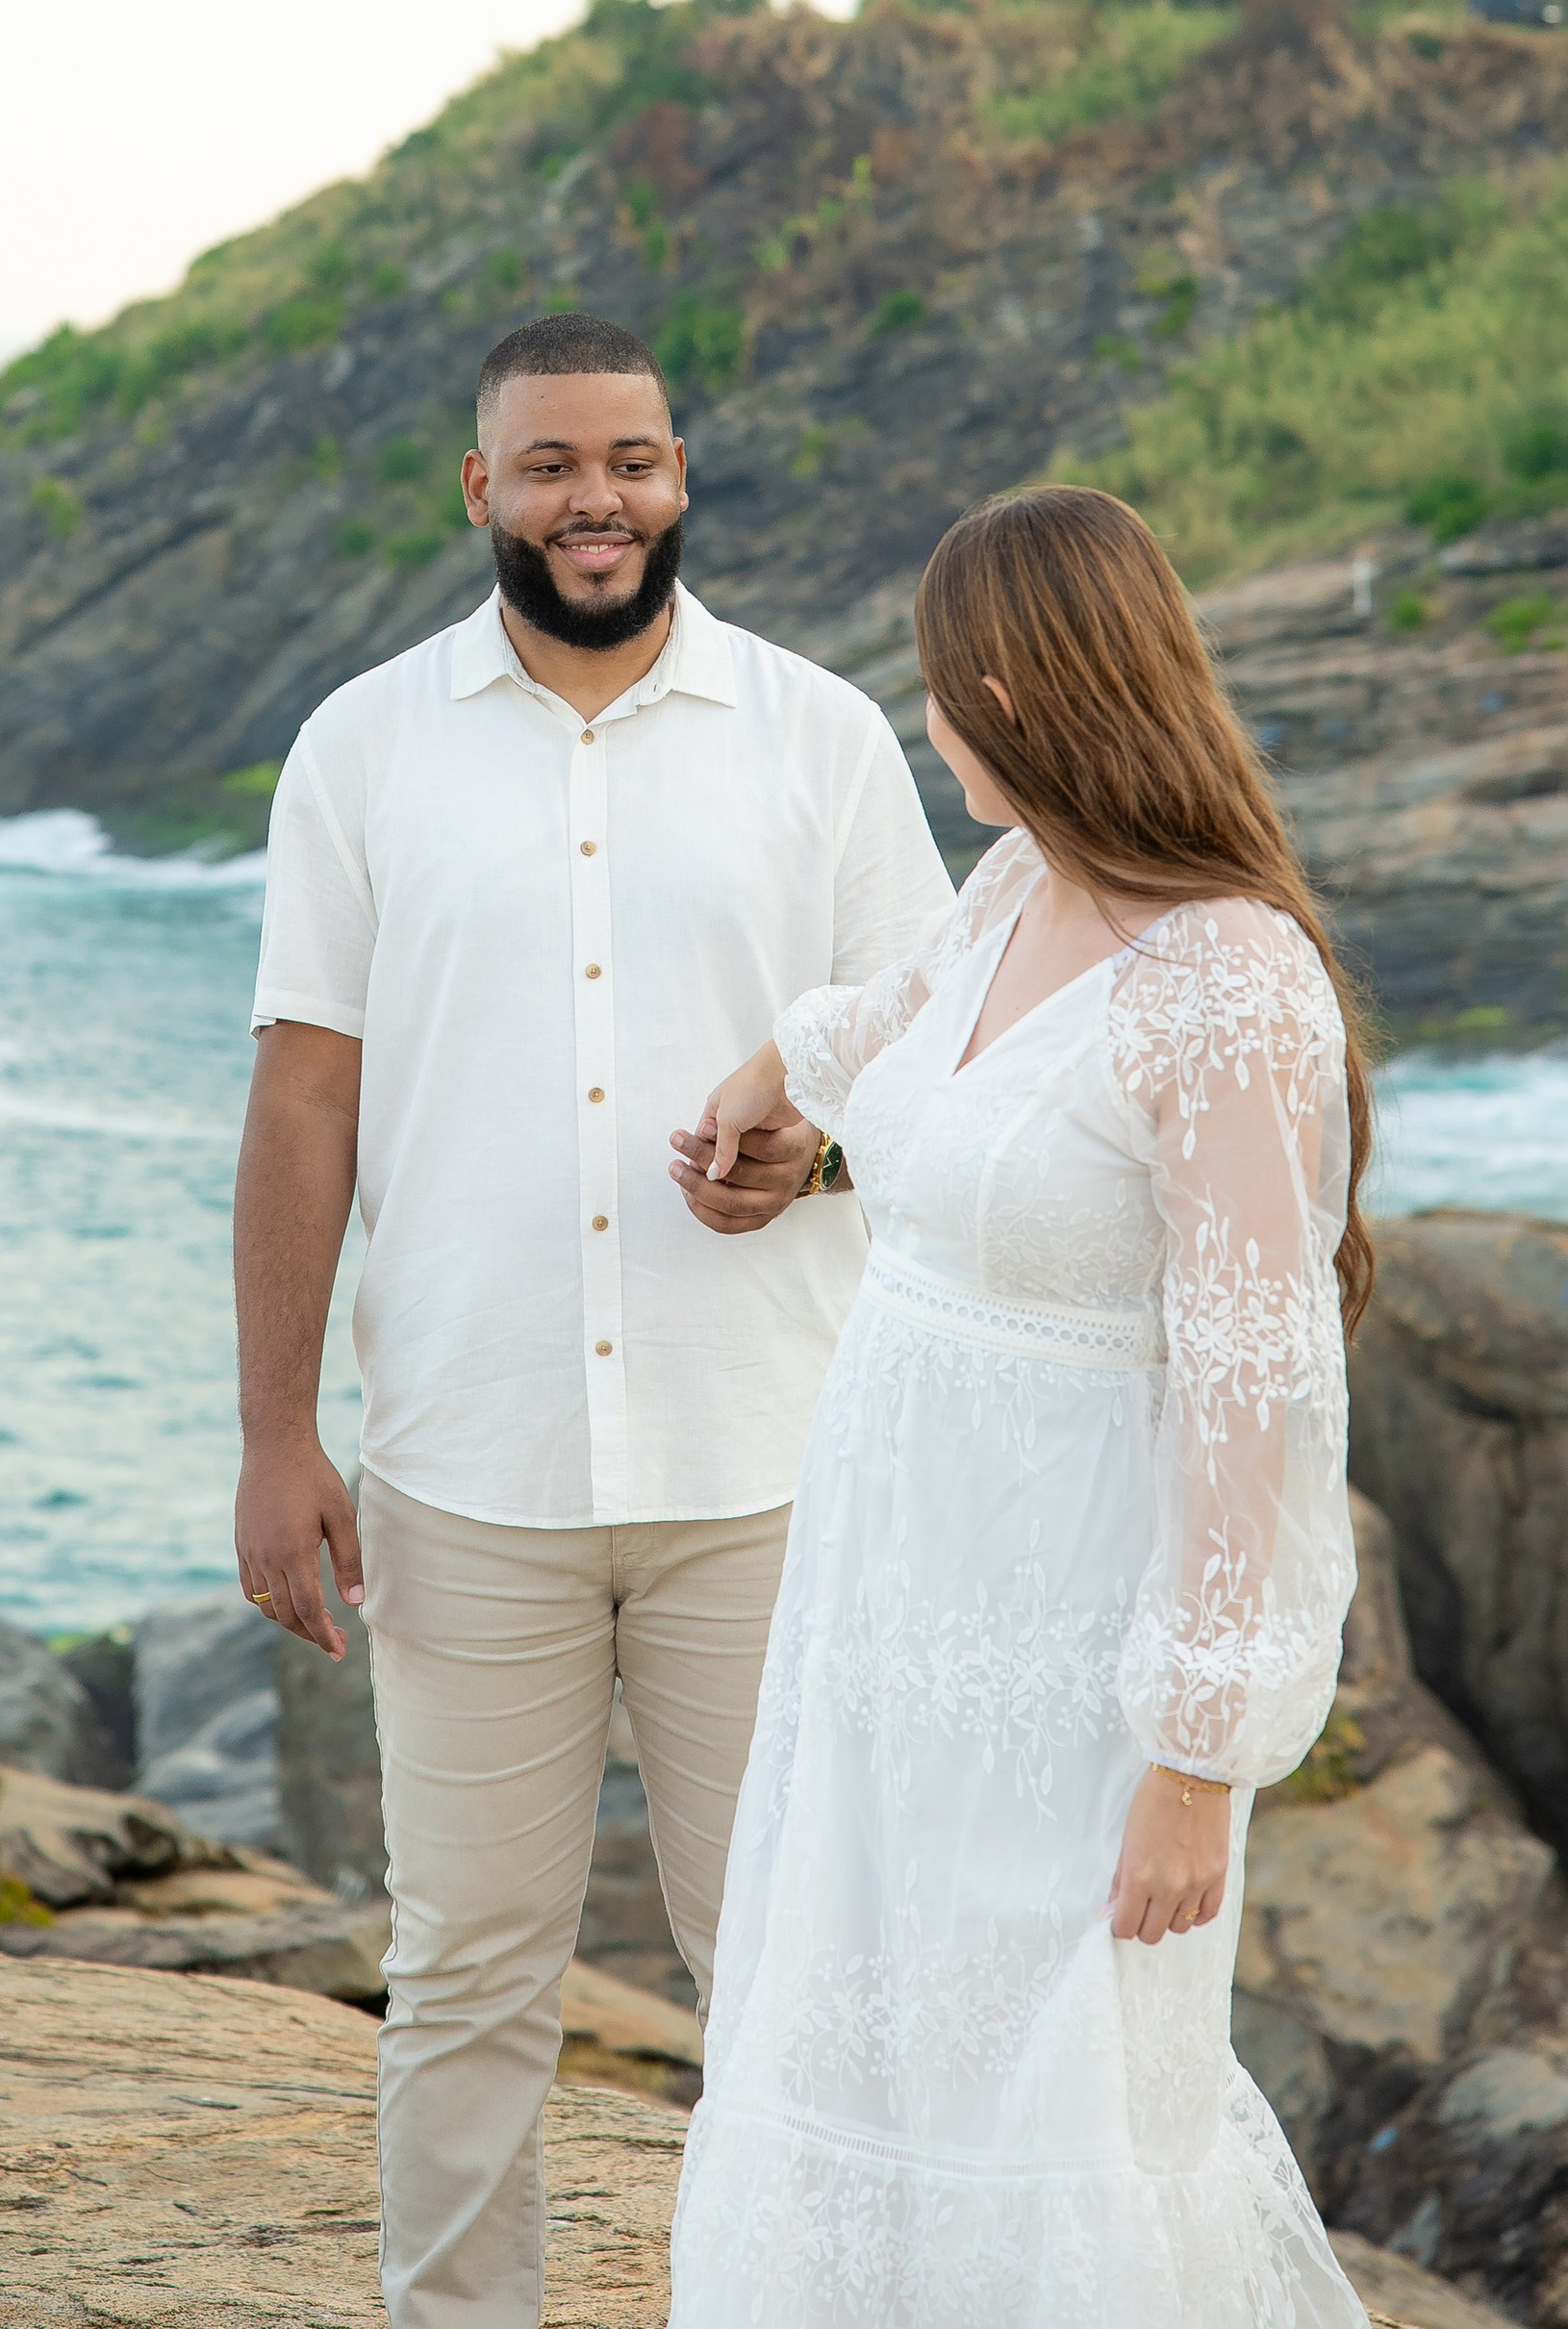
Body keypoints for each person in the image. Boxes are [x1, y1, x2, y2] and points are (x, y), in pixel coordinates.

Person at [232, 310, 952, 2329]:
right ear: (481, 491)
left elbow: (927, 1058)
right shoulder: (360, 747)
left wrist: (804, 1154)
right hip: (470, 1469)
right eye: (548, 464)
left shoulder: (816, 739)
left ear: (679, 473)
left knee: (786, 1976)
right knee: (466, 1973)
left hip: (767, 1469)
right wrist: (274, 1437)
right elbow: (301, 1098)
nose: (592, 499)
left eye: (627, 457)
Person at [668, 483, 1372, 2329]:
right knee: (864, 2044)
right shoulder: (1013, 888)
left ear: (1018, 685)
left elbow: (1254, 1392)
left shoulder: (1230, 981)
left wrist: (1196, 1760)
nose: (931, 723)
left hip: (1069, 1653)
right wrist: (773, 1079)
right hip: (889, 1612)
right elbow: (884, 1018)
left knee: (1063, 2103)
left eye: (942, 688)